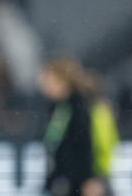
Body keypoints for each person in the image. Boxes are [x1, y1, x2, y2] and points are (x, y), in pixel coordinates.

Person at [38, 57, 97, 196]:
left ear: (62, 80)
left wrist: (89, 177)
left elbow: (84, 143)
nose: (43, 84)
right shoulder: (56, 107)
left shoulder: (77, 106)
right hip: (62, 179)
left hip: (76, 181)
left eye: (48, 79)